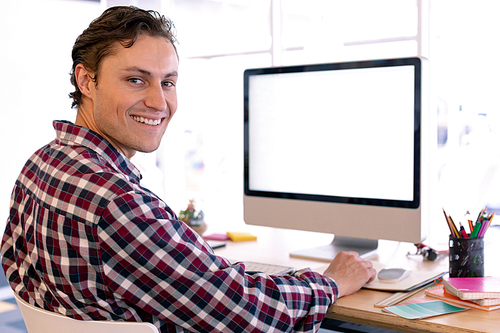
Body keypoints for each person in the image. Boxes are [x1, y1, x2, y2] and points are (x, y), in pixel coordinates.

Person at [0, 6, 376, 333]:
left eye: (168, 82)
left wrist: (222, 275)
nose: (158, 101)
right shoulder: (119, 203)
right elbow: (249, 315)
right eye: (135, 80)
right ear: (86, 80)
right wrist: (329, 282)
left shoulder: (40, 165)